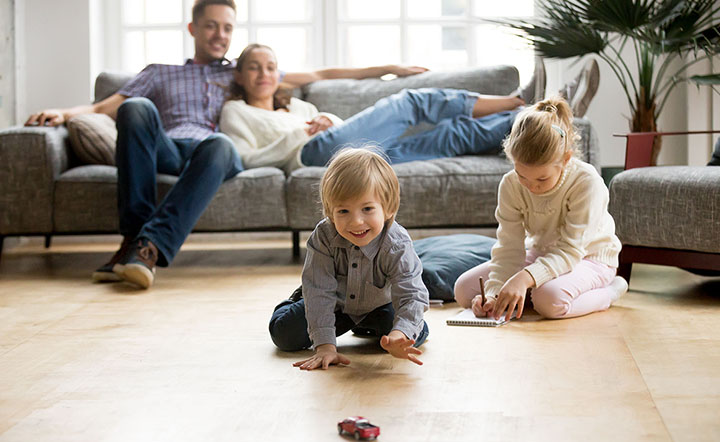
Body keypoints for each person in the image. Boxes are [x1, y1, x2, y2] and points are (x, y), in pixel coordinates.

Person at [24, 0, 426, 289]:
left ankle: (146, 249)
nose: (220, 34)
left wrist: (388, 68)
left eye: (228, 27)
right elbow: (106, 107)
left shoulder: (241, 72)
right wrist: (64, 113)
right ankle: (135, 239)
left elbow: (320, 73)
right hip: (169, 147)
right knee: (137, 109)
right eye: (212, 25)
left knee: (217, 143)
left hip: (215, 153)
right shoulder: (158, 72)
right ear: (193, 29)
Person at [219, 44, 547, 173]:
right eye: (253, 67)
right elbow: (243, 159)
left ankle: (534, 117)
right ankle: (517, 99)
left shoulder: (298, 105)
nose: (264, 74)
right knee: (409, 102)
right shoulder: (236, 112)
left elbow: (340, 130)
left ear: (279, 74)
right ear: (239, 74)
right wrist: (299, 135)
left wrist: (327, 119)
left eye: (270, 66)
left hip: (351, 157)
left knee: (450, 136)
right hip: (312, 155)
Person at [453, 96, 628, 321]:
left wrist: (524, 278)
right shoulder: (510, 184)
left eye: (542, 179)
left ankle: (610, 291)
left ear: (565, 159)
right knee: (464, 290)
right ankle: (525, 294)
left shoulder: (586, 182)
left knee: (548, 301)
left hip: (589, 257)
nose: (532, 187)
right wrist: (494, 294)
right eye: (522, 175)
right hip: (541, 254)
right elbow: (509, 247)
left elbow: (570, 251)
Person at [268, 148, 429, 370]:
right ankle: (298, 298)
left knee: (413, 335)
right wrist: (325, 346)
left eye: (367, 209)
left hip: (380, 304)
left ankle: (369, 325)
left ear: (388, 208)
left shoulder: (397, 243)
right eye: (343, 211)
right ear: (329, 212)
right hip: (335, 303)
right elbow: (320, 292)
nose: (356, 222)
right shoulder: (324, 236)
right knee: (284, 334)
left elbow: (411, 294)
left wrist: (398, 334)